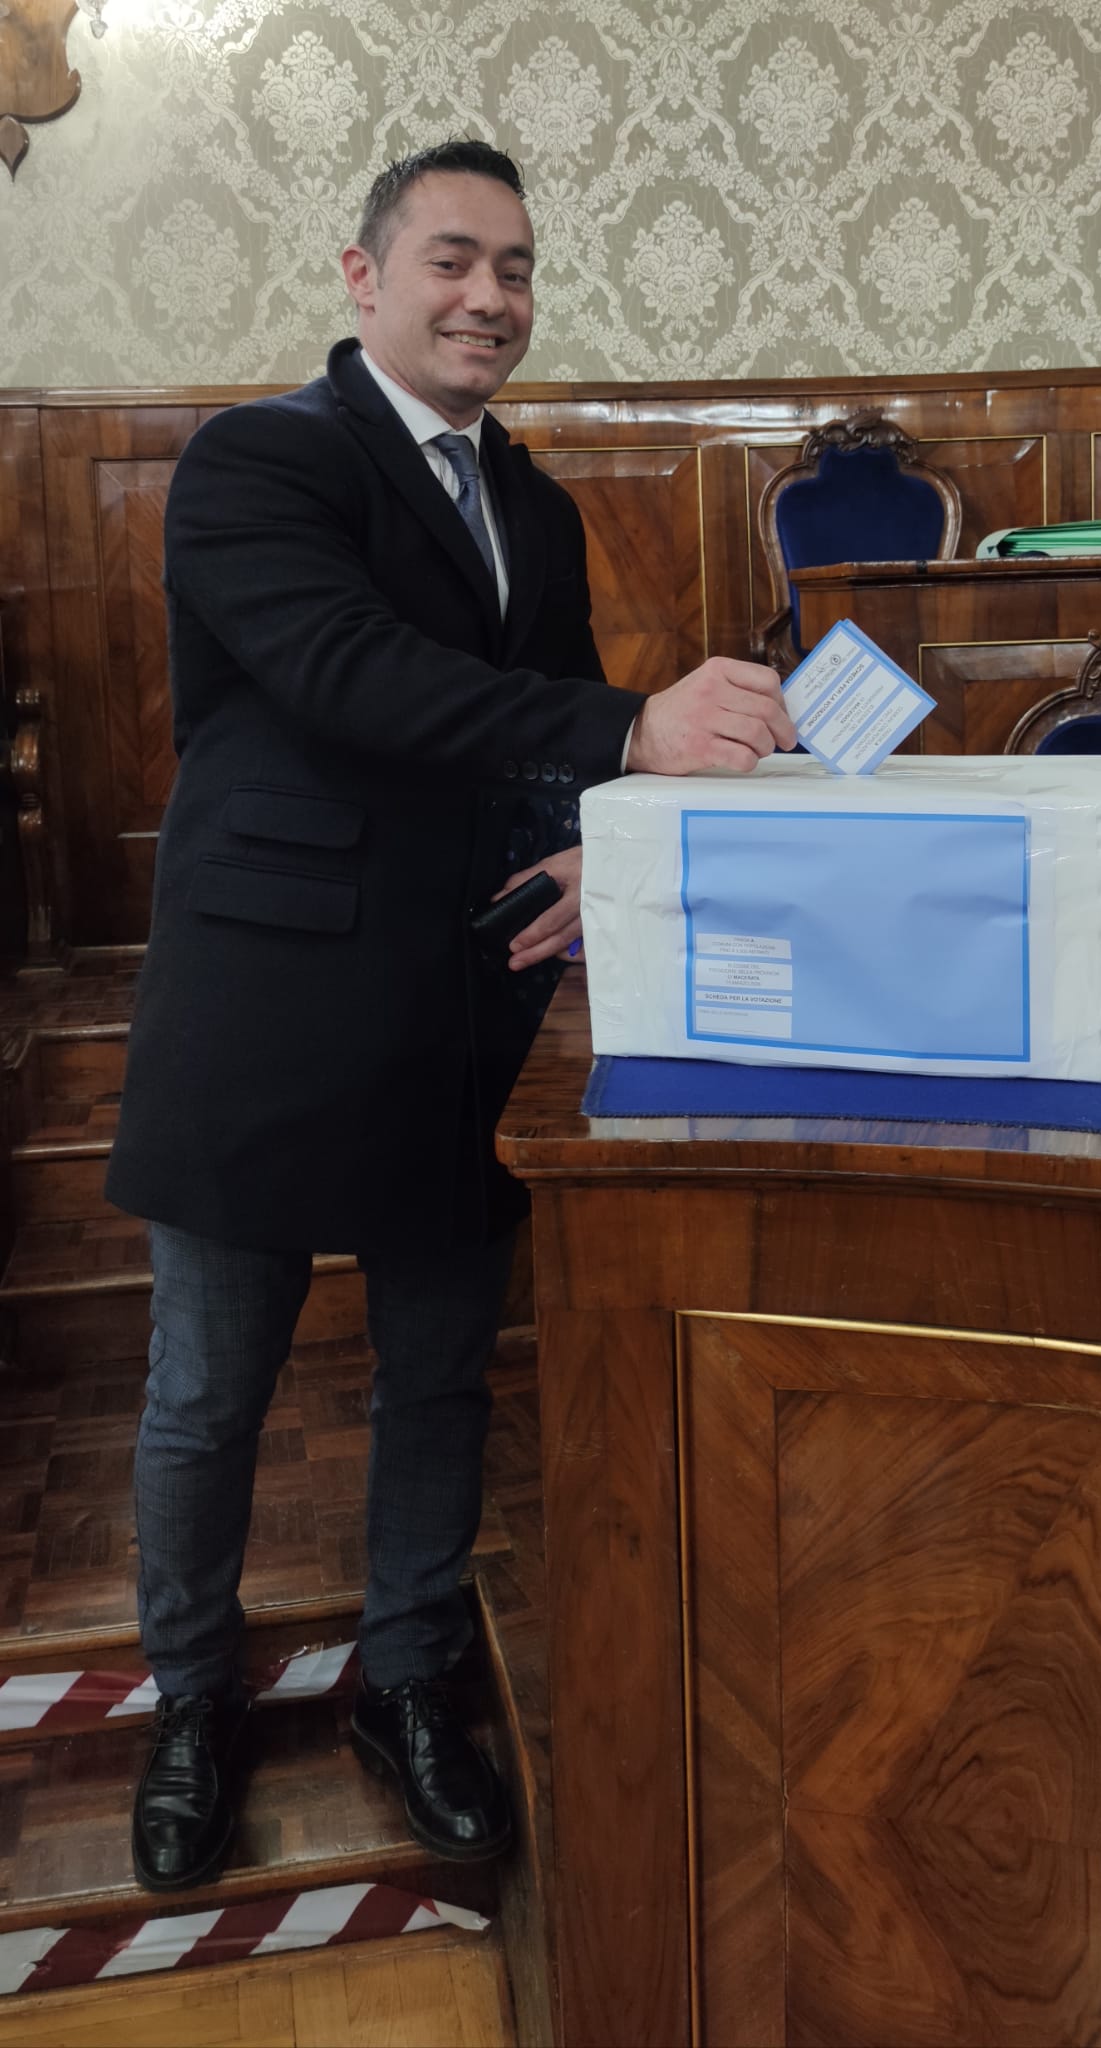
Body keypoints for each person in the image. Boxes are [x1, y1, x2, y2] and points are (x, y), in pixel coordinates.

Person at [105, 137, 795, 1893]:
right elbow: (346, 673)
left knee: (439, 1378)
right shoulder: (259, 458)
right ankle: (190, 1699)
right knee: (209, 1394)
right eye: (452, 261)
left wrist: (589, 835)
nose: (491, 298)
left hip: (467, 990)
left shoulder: (537, 506)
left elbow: (534, 728)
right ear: (363, 277)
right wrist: (628, 730)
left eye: (517, 269)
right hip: (266, 997)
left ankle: (406, 1679)